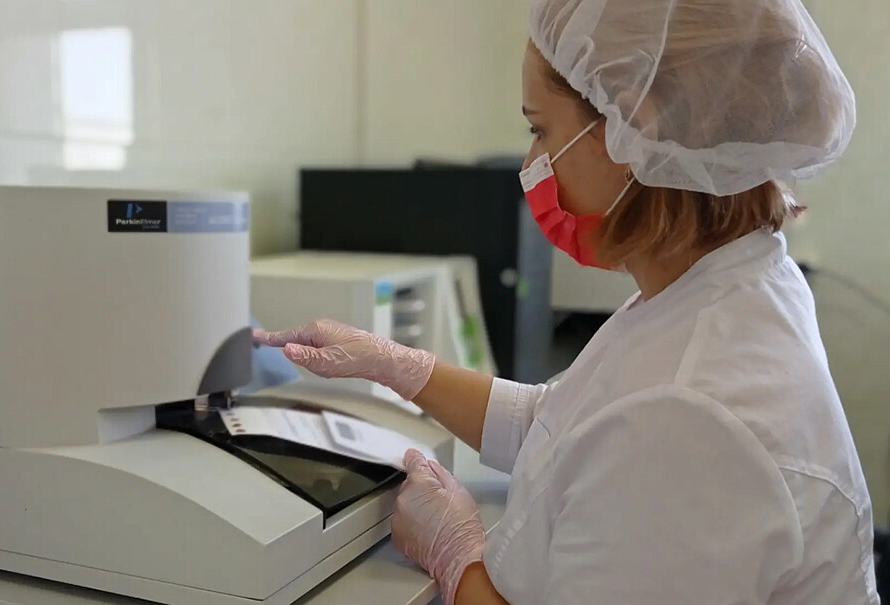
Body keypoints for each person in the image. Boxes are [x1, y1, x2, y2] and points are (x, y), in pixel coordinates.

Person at [255, 0, 879, 603]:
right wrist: (396, 365)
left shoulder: (689, 414)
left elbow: (632, 435)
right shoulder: (724, 283)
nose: (532, 163)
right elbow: (564, 427)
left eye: (540, 129)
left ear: (635, 129)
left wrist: (456, 557)